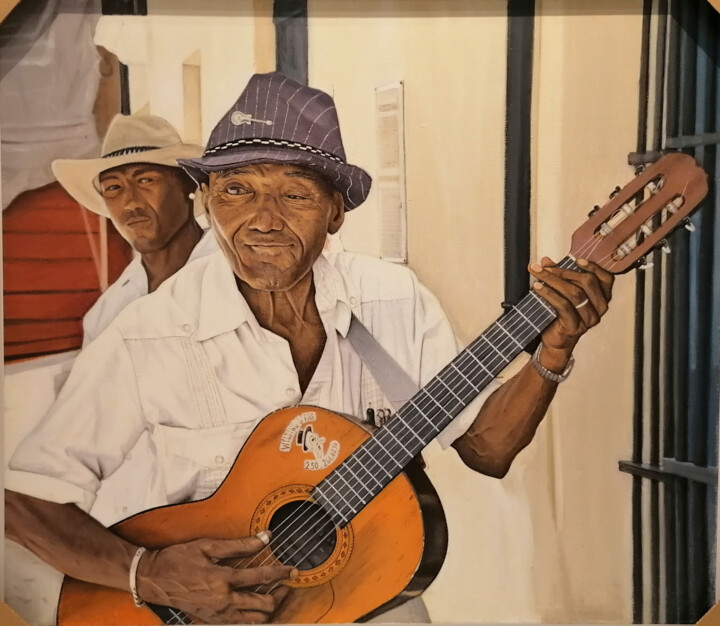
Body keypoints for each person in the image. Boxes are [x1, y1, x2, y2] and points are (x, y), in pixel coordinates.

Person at [6, 73, 614, 625]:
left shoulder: (391, 301)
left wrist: (551, 352)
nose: (262, 219)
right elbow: (26, 504)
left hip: (362, 598)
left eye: (294, 194)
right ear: (209, 201)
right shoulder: (150, 334)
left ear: (336, 213)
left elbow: (485, 448)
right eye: (237, 190)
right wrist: (149, 575)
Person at [51, 113, 218, 345]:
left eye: (146, 180)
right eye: (113, 187)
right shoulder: (106, 316)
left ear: (188, 183)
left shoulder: (237, 271)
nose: (130, 203)